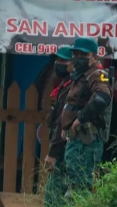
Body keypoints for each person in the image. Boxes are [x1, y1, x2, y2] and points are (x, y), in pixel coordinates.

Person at [60, 37, 112, 202]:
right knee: (73, 185)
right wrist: (66, 126)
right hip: (76, 139)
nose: (78, 58)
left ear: (95, 57)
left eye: (83, 54)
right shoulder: (81, 76)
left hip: (86, 140)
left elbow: (102, 98)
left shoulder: (98, 75)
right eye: (75, 54)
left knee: (80, 187)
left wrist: (79, 119)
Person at [44, 45, 75, 207]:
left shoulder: (71, 90)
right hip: (62, 152)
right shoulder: (64, 87)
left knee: (54, 196)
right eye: (57, 60)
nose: (58, 63)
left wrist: (53, 153)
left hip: (64, 153)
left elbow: (61, 125)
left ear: (72, 64)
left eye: (63, 60)